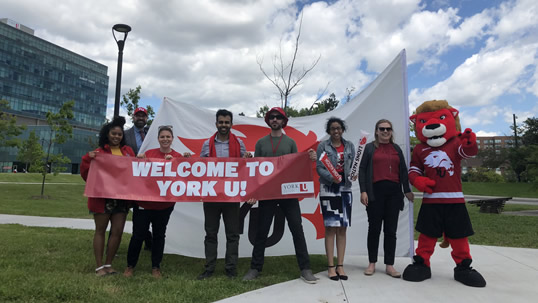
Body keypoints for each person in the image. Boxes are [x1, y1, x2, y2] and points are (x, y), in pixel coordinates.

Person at [243, 107, 319, 284]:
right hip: (268, 193)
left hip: (287, 193)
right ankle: (255, 268)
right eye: (272, 117)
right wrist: (254, 191)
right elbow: (257, 170)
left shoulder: (290, 142)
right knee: (262, 230)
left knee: (297, 229)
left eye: (278, 117)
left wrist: (311, 158)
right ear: (269, 121)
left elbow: (296, 165)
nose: (275, 120)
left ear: (283, 121)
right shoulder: (261, 143)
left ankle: (305, 268)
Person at [124, 126, 186, 279]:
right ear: (158, 139)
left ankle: (156, 267)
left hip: (164, 205)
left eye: (168, 137)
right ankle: (130, 266)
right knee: (138, 235)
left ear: (172, 139)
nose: (165, 139)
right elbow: (138, 176)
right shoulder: (149, 154)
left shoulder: (177, 156)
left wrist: (181, 161)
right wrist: (139, 161)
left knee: (159, 235)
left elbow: (185, 177)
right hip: (144, 204)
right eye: (162, 137)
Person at [197, 109, 252, 280]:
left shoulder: (239, 144)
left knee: (232, 234)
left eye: (227, 122)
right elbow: (199, 168)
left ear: (231, 124)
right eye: (221, 122)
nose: (223, 125)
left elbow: (244, 168)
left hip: (231, 196)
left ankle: (231, 269)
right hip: (212, 196)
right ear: (216, 124)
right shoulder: (207, 144)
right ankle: (209, 268)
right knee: (211, 233)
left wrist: (248, 159)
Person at [359, 119, 414, 278]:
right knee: (374, 229)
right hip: (375, 193)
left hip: (394, 194)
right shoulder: (370, 148)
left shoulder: (396, 148)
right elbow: (362, 170)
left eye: (388, 129)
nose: (385, 132)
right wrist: (363, 191)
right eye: (382, 129)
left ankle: (389, 265)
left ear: (391, 131)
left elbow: (403, 171)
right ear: (376, 131)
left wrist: (407, 190)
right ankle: (371, 263)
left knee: (391, 230)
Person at [80, 116, 135, 276]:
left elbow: (134, 173)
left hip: (122, 199)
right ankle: (99, 267)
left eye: (119, 134)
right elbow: (86, 175)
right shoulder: (98, 153)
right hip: (102, 198)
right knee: (100, 231)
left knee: (117, 231)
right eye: (114, 133)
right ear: (107, 134)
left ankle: (109, 264)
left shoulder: (128, 152)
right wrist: (87, 160)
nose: (117, 136)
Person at [316, 117, 356, 281]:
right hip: (328, 188)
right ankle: (330, 267)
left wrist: (354, 174)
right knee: (331, 228)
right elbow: (319, 168)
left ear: (342, 129)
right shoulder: (323, 146)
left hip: (345, 189)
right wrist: (331, 177)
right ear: (329, 131)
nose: (336, 131)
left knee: (342, 228)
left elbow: (354, 165)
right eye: (333, 128)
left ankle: (340, 265)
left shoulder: (350, 146)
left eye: (338, 128)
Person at [124, 107, 153, 251]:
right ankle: (142, 237)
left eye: (143, 116)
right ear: (133, 117)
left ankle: (147, 240)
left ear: (147, 118)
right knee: (137, 209)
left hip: (150, 179)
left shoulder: (152, 133)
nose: (140, 118)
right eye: (138, 116)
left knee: (147, 210)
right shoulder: (125, 134)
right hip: (132, 179)